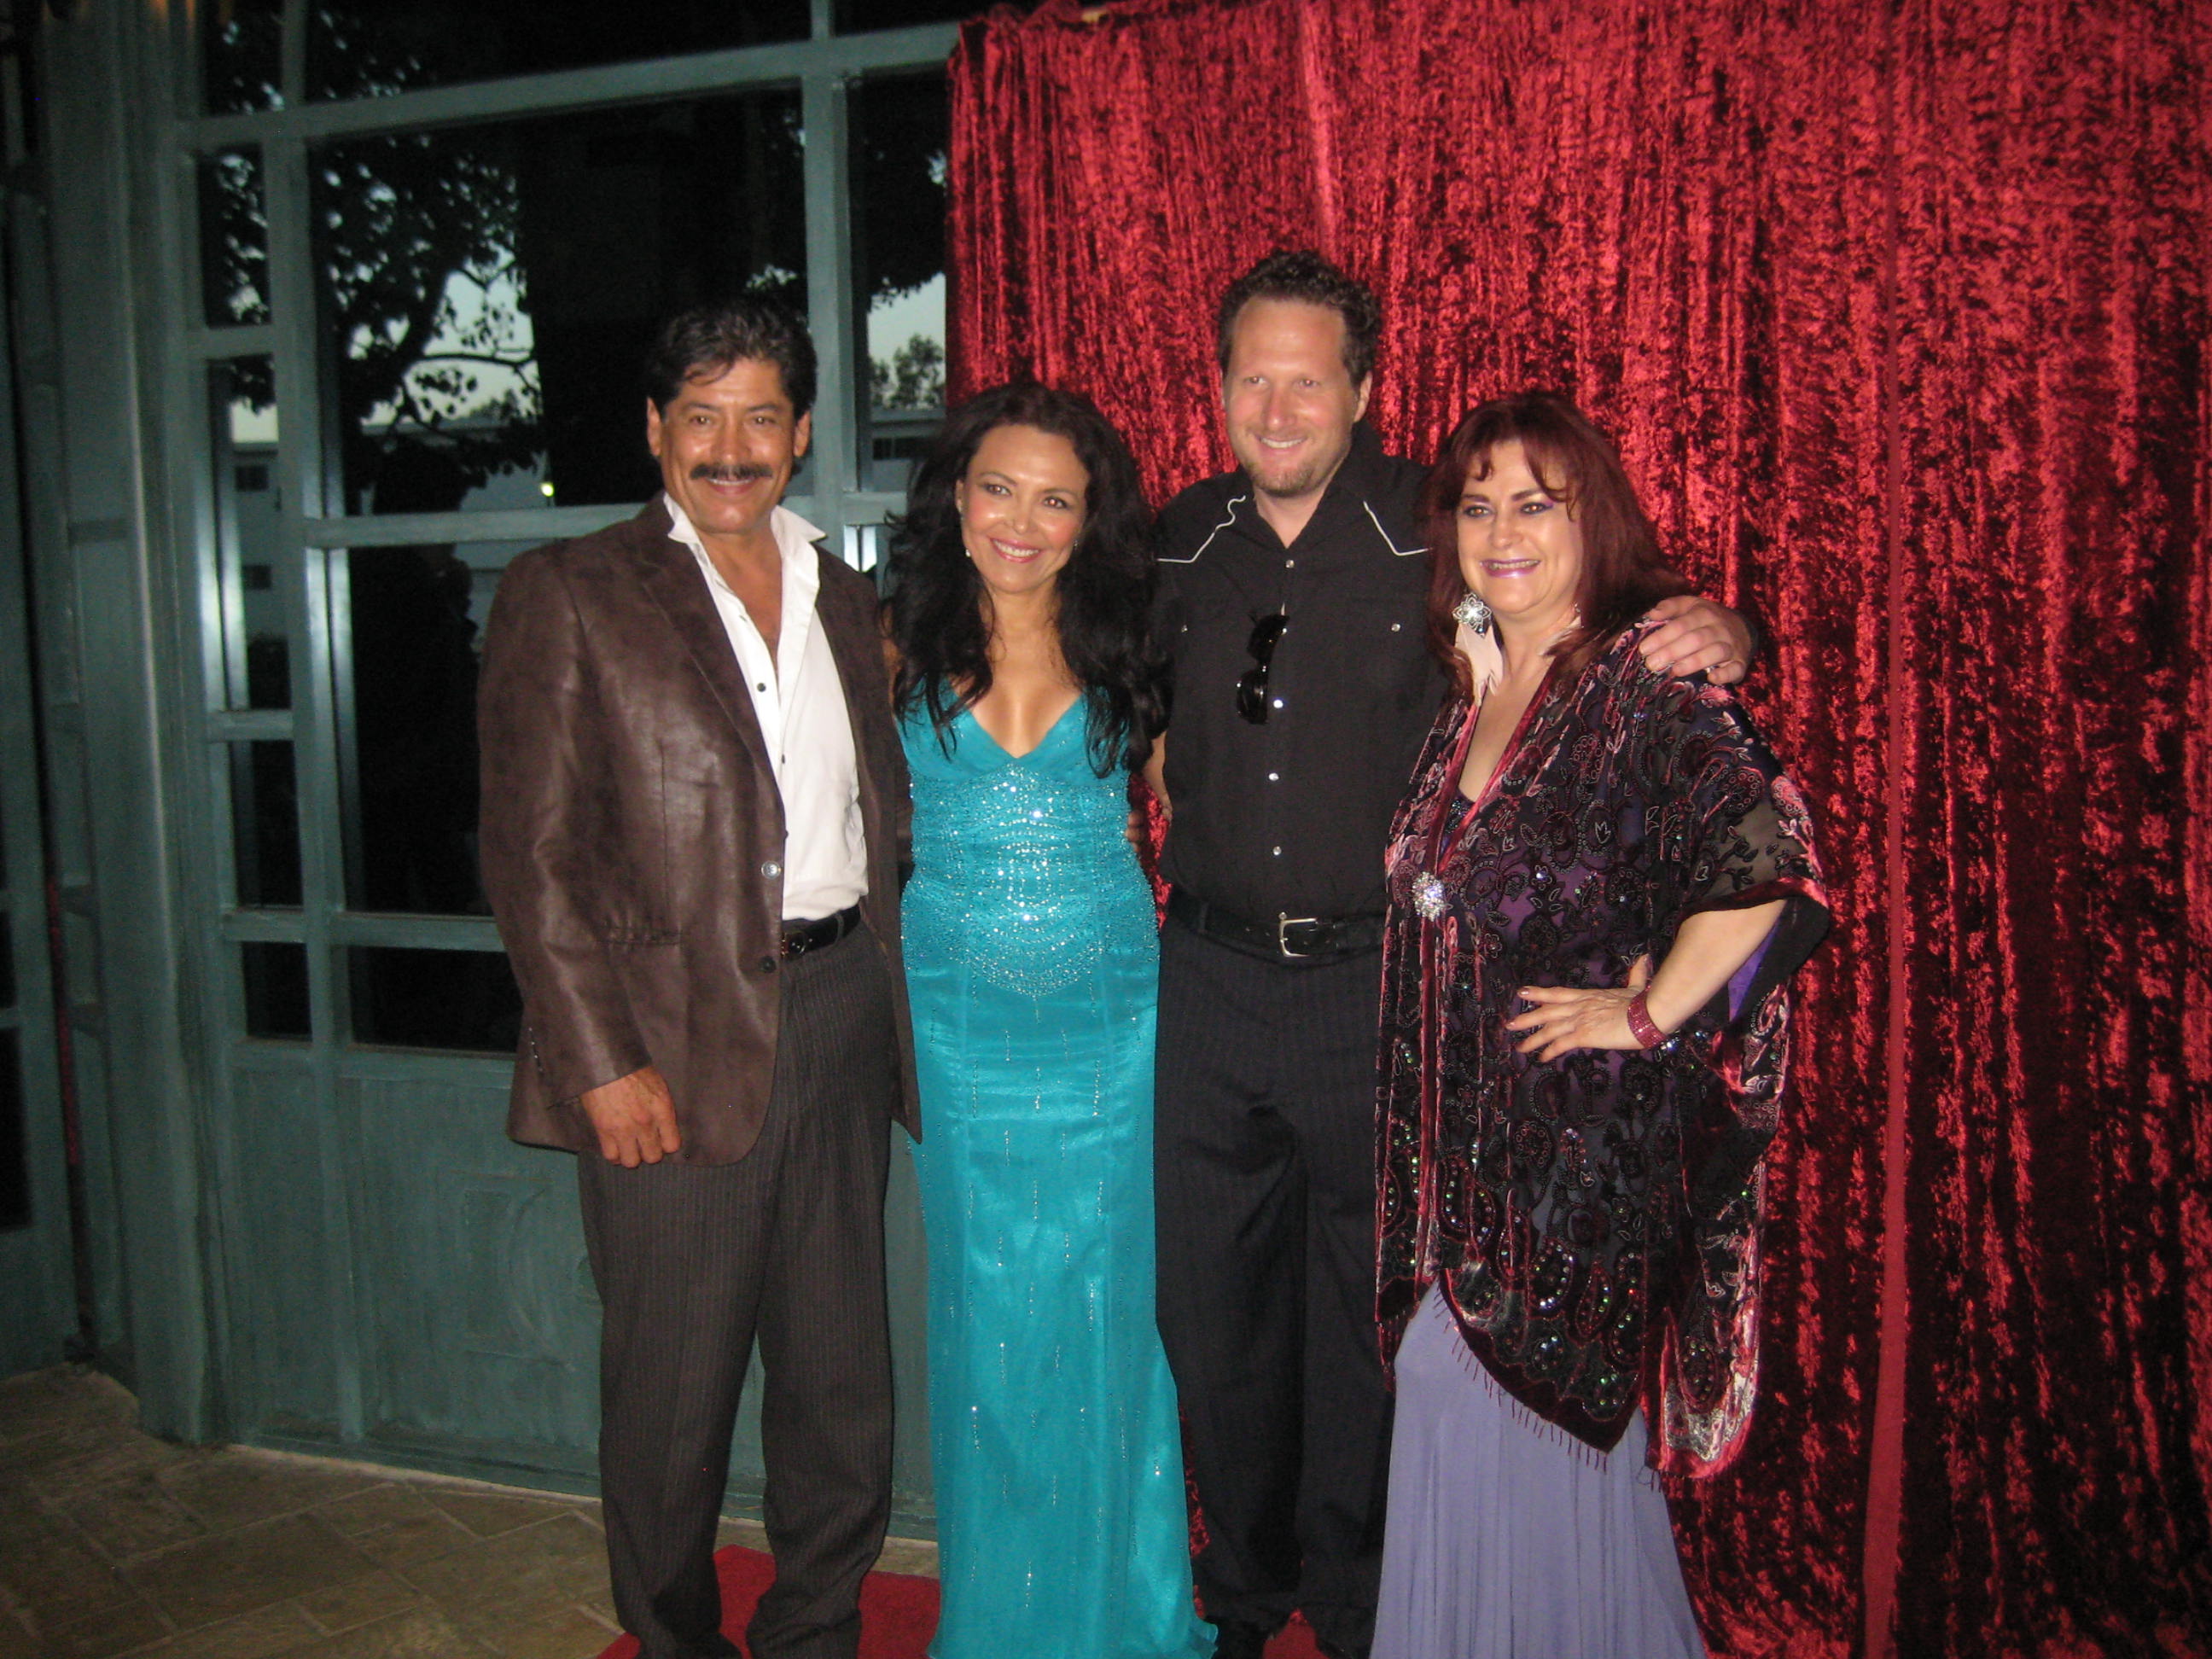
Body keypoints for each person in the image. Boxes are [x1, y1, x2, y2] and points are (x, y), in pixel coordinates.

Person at [1147, 250, 1758, 1659]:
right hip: (1213, 979)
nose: (1280, 404)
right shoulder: (1176, 542)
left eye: (1311, 377)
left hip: (1379, 992)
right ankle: (1243, 1594)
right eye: (1255, 376)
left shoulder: (1442, 528)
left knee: (1371, 1323)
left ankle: (1368, 1608)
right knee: (1217, 1315)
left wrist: (1729, 628)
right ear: (1222, 388)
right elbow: (1090, 664)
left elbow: (1593, 617)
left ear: (1363, 391)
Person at [478, 299, 917, 1659]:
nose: (734, 447)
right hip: (664, 1045)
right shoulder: (572, 591)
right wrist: (598, 1062)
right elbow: (529, 856)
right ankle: (671, 1642)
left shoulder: (851, 598)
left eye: (763, 417)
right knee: (672, 1397)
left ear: (799, 436)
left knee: (842, 1385)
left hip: (841, 1012)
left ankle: (815, 1632)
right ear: (656, 429)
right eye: (703, 416)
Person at [1370, 393, 1831, 1656]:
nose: (1501, 531)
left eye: (1536, 504)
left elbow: (1777, 882)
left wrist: (1646, 1016)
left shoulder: (1647, 680)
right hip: (1444, 1184)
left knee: (1546, 1464)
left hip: (1567, 1180)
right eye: (1477, 506)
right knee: (1455, 1439)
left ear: (1595, 523)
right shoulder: (1476, 681)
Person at [885, 383, 1214, 1659]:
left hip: (1113, 1033)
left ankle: (1127, 1613)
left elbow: (1213, 799)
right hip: (960, 1034)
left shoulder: (1139, 645)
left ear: (1090, 522)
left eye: (1056, 498)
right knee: (989, 1327)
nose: (1023, 519)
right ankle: (1004, 1620)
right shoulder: (886, 640)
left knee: (1108, 1317)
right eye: (999, 488)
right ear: (957, 499)